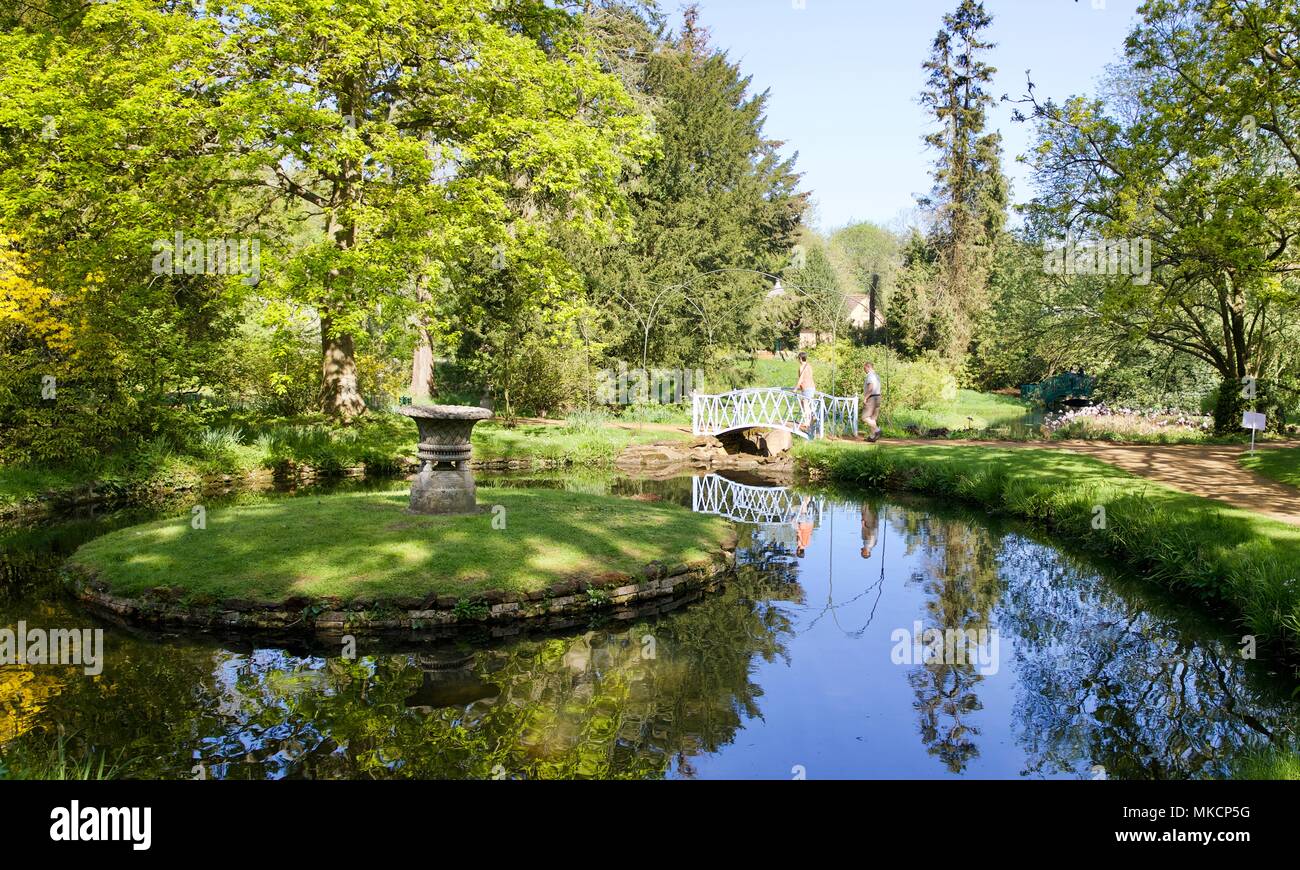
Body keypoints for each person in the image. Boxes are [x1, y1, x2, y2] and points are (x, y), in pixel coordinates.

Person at [862, 361, 882, 442]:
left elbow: (870, 388)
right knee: (873, 418)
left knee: (865, 417)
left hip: (872, 398)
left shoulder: (870, 376)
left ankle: (877, 430)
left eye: (865, 368)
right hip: (878, 397)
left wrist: (865, 398)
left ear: (868, 367)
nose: (864, 370)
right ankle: (872, 437)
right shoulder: (877, 376)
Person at [796, 352, 816, 433]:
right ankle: (813, 415)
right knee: (804, 402)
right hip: (812, 387)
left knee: (805, 404)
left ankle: (807, 422)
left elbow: (801, 379)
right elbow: (810, 377)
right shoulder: (809, 366)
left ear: (800, 358)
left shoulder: (801, 367)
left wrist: (795, 388)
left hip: (806, 388)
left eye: (798, 358)